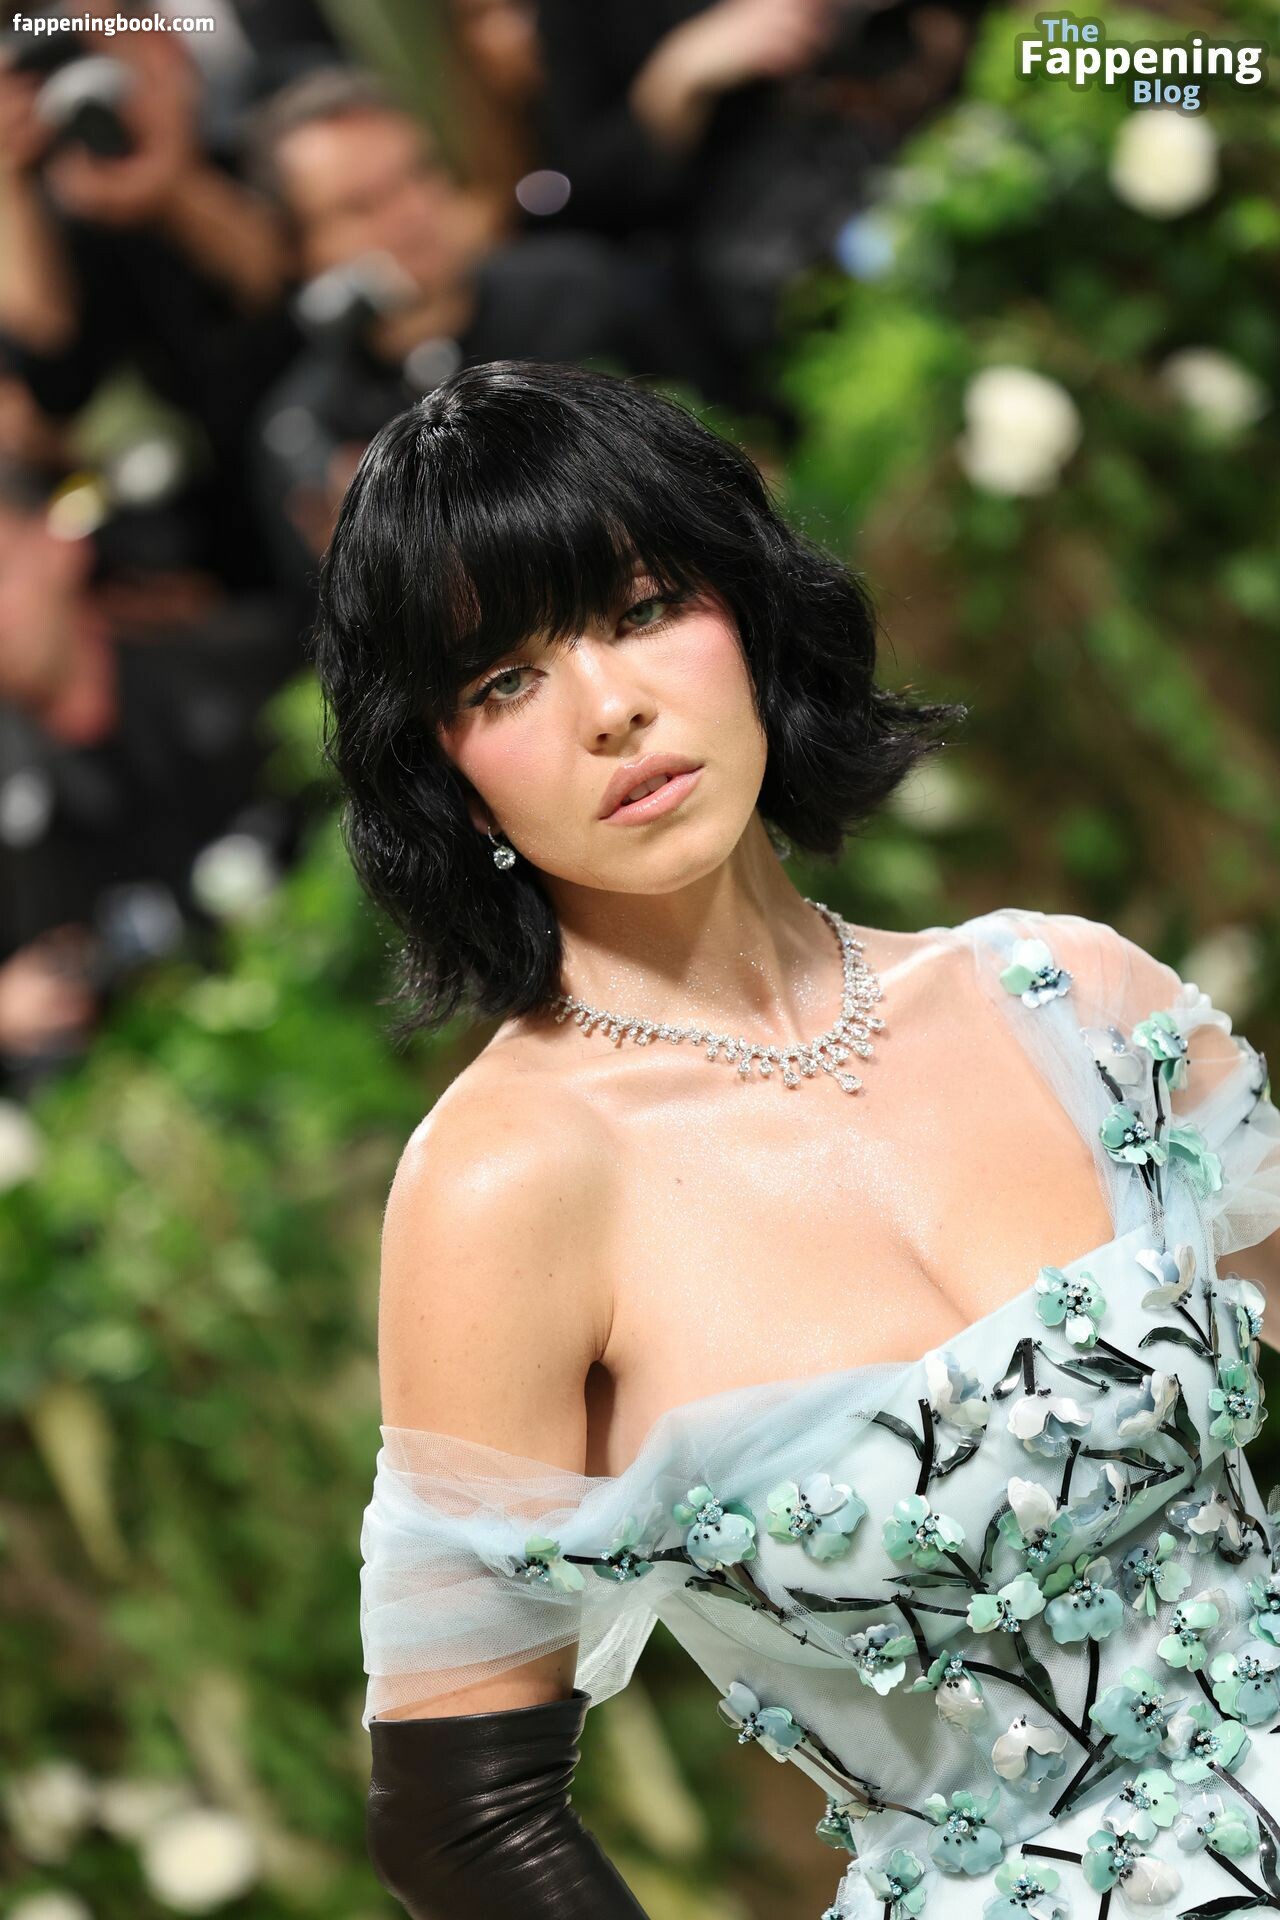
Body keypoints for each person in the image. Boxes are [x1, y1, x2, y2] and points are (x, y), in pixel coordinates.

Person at [312, 361, 1280, 1917]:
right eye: (504, 681)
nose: (611, 708)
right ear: (448, 776)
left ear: (749, 614)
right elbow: (462, 1822)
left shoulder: (1072, 998)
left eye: (641, 610)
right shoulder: (505, 1186)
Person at [246, 66, 733, 594]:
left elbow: (733, 438)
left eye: (419, 173)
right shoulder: (304, 430)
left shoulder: (580, 286)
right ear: (299, 250)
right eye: (361, 206)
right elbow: (319, 626)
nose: (411, 213)